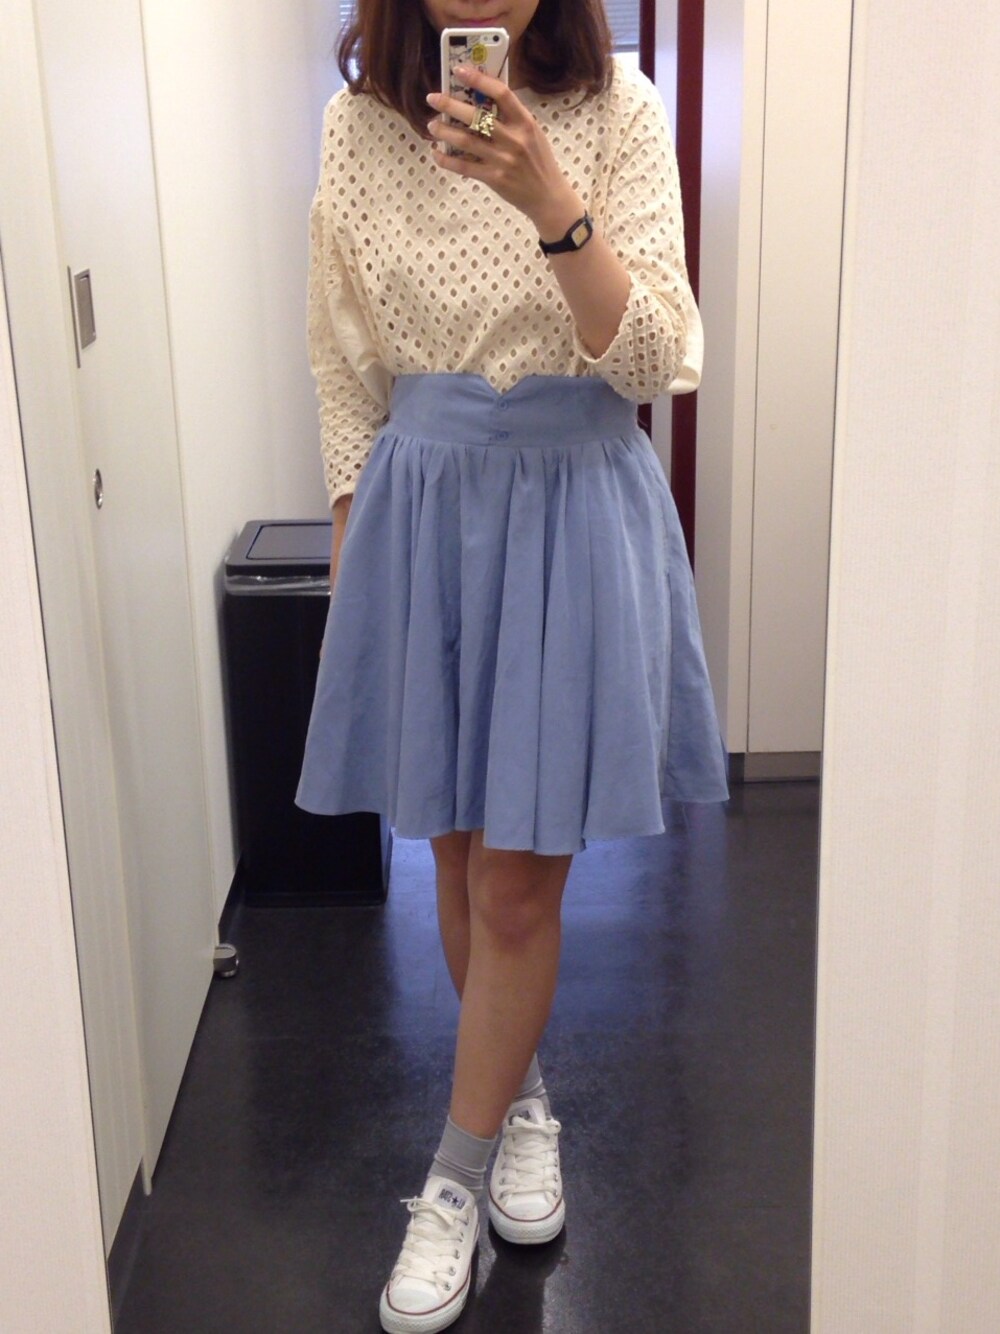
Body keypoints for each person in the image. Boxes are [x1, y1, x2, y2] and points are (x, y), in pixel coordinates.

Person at [295, 1, 729, 1329]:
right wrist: (352, 538)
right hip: (423, 512)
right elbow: (341, 354)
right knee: (455, 851)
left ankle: (452, 1179)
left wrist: (552, 201)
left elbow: (659, 359)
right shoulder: (360, 124)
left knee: (519, 885)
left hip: (572, 502)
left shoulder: (621, 113)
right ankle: (520, 1099)